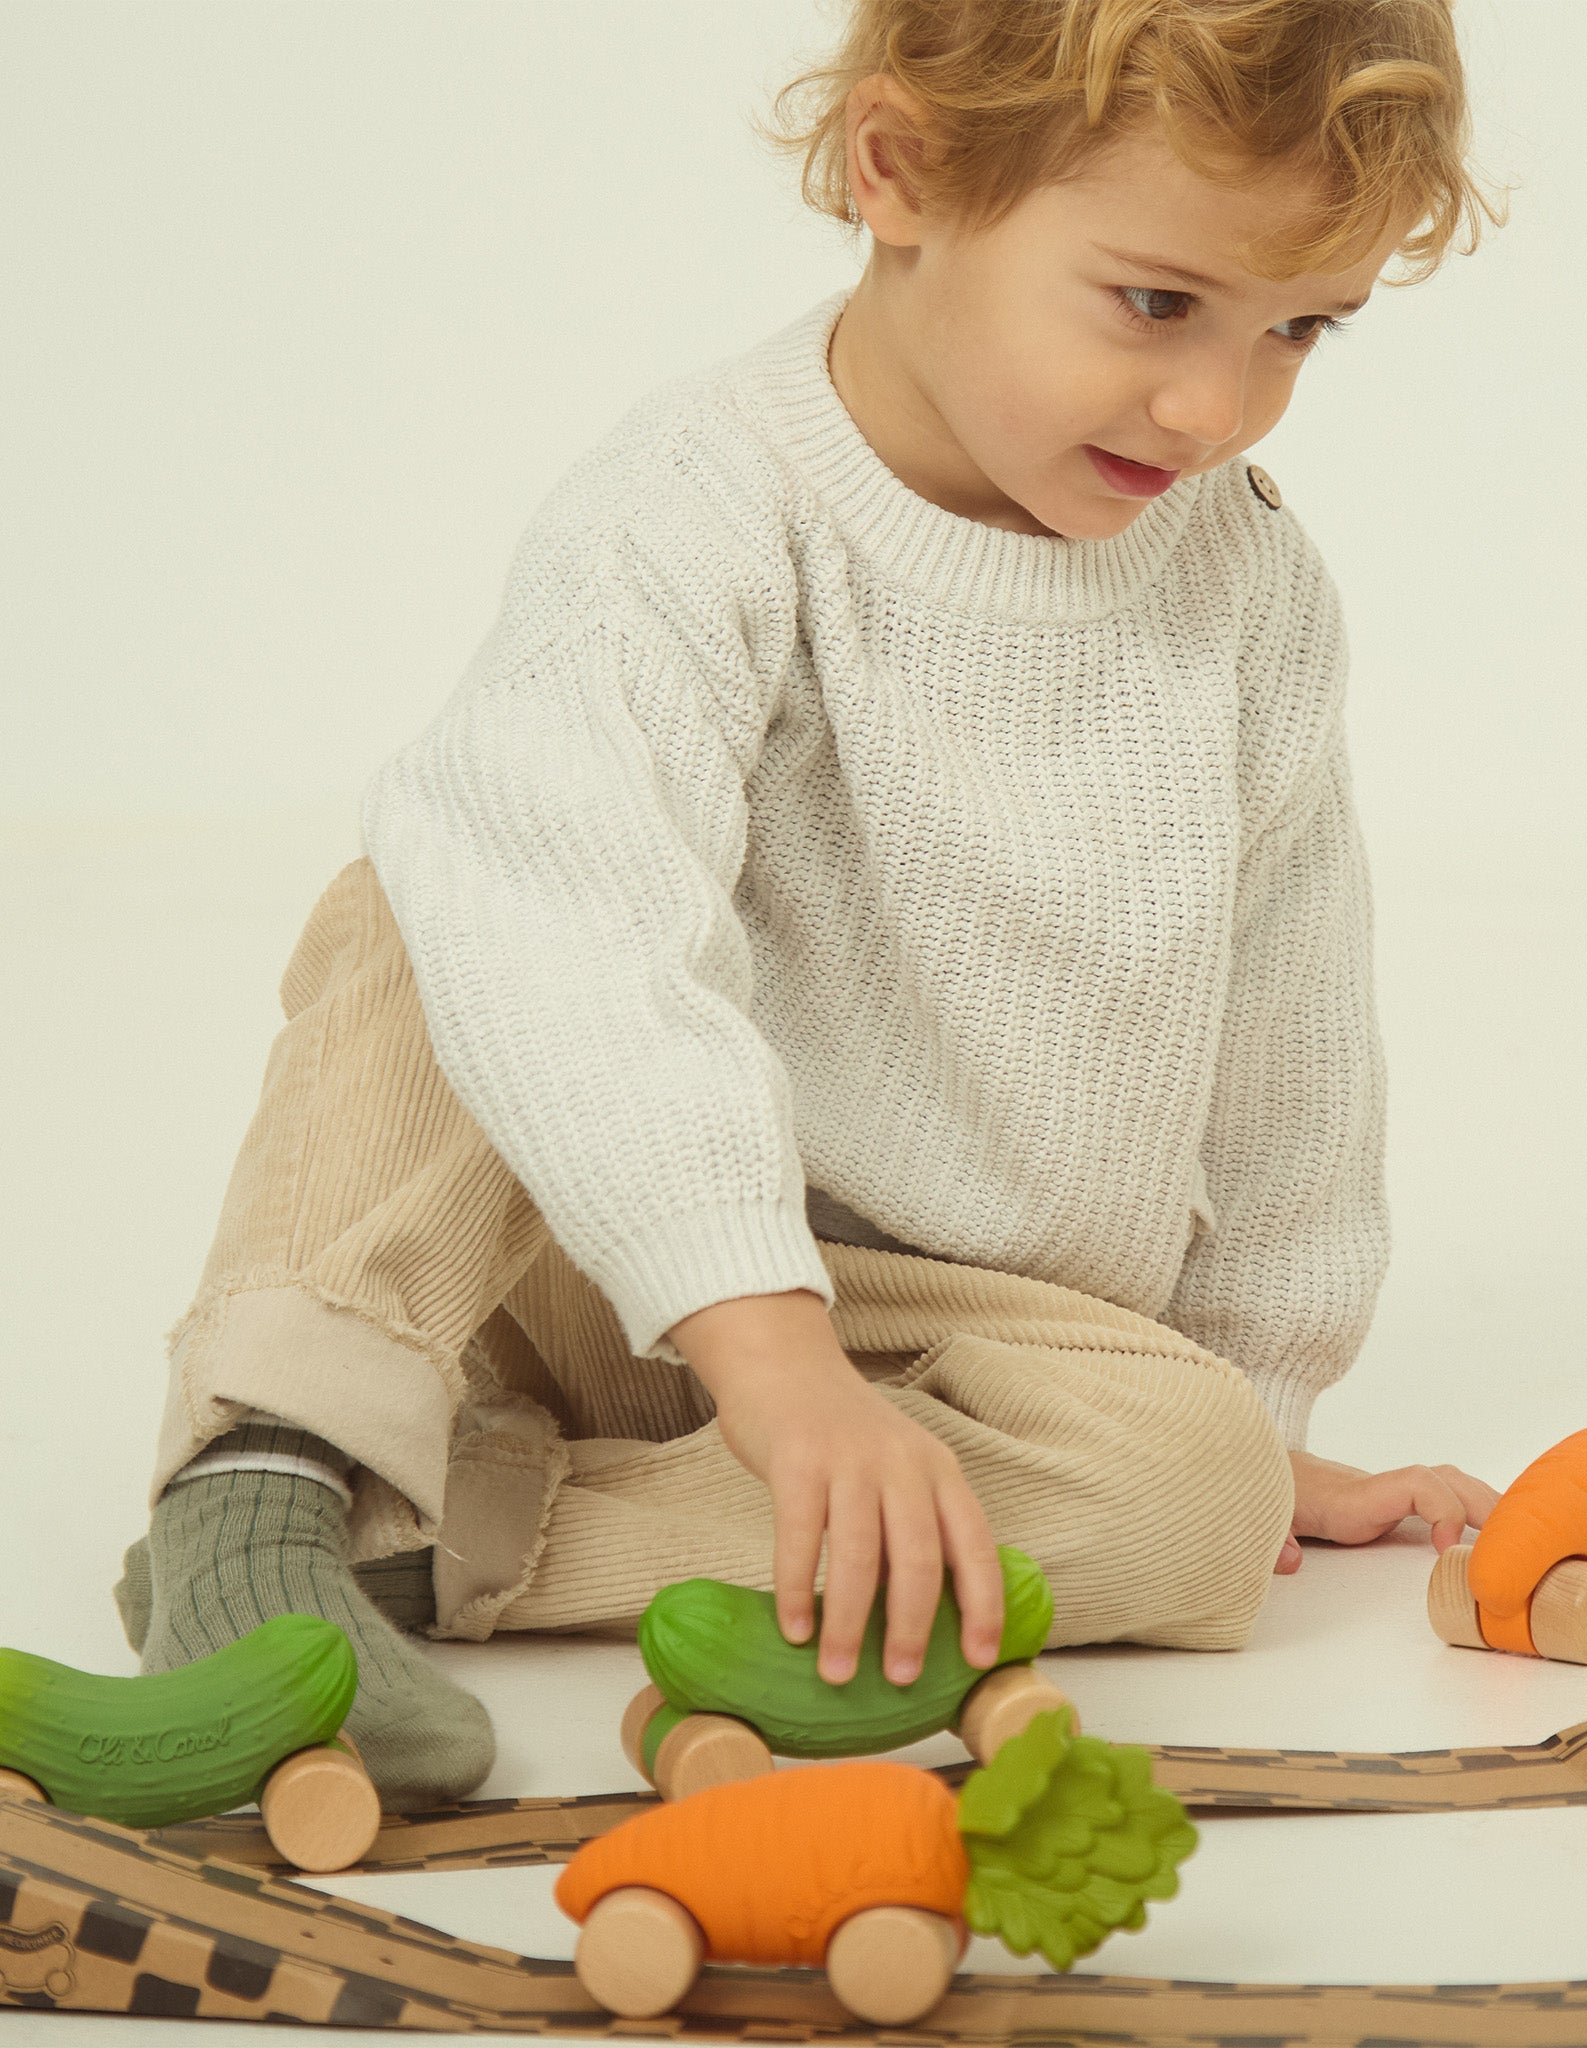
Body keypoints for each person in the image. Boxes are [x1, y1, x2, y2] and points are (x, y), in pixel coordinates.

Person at [114, 0, 1508, 1810]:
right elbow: (564, 919)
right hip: (575, 1243)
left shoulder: (1245, 588)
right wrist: (751, 1338)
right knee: (449, 891)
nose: (1215, 405)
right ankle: (271, 1464)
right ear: (902, 167)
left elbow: (1295, 1030)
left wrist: (1257, 1418)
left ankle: (438, 1534)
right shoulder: (700, 508)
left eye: (1297, 330)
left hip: (932, 1337)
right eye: (1158, 304)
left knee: (1192, 1504)